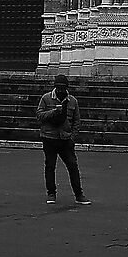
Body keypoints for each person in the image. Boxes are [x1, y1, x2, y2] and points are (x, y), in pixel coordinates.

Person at [36, 73, 88, 207]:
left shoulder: (72, 101)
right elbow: (39, 115)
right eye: (58, 87)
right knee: (50, 166)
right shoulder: (46, 98)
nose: (60, 90)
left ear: (66, 88)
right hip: (49, 137)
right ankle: (51, 193)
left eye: (62, 88)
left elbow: (77, 120)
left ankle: (79, 194)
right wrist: (54, 112)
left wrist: (72, 136)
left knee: (72, 166)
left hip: (65, 139)